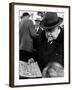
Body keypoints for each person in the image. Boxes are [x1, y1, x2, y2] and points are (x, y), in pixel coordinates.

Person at [37, 12, 64, 77]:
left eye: (51, 30)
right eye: (46, 30)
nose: (48, 34)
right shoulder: (43, 34)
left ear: (58, 27)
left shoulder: (66, 38)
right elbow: (39, 52)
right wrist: (34, 59)